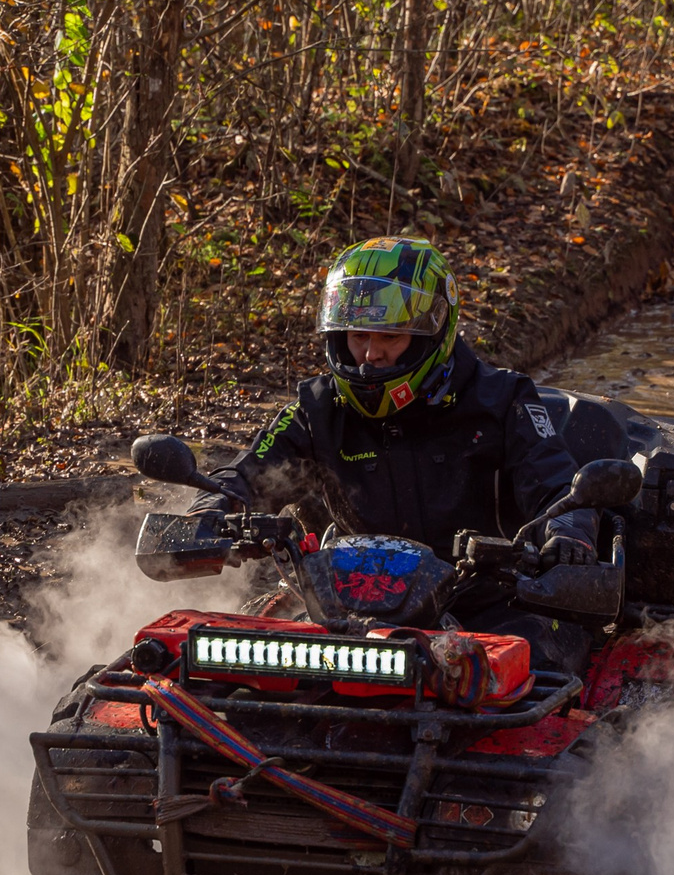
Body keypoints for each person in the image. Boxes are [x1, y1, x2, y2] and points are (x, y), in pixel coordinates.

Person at [192, 236, 601, 675]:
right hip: (348, 612)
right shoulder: (318, 409)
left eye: (390, 336)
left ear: (433, 332)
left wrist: (567, 535)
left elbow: (559, 486)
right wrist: (213, 507)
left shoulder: (502, 400)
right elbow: (250, 474)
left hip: (492, 608)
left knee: (525, 678)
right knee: (232, 671)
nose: (370, 354)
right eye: (358, 335)